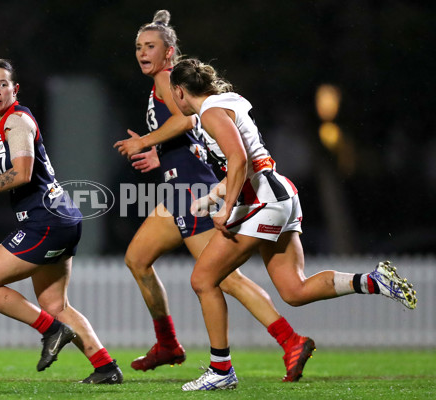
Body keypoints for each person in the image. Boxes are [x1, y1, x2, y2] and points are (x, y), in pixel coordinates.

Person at [168, 57, 418, 391]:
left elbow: (239, 159)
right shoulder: (225, 104)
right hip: (278, 195)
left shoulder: (211, 112)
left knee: (203, 279)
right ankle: (372, 281)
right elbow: (248, 162)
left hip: (263, 201)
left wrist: (225, 208)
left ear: (180, 92)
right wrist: (214, 197)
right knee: (294, 290)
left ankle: (221, 369)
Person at [114, 10, 314, 383]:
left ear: (169, 52)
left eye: (150, 46)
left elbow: (188, 120)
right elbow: (190, 134)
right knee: (137, 259)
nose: (143, 53)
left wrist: (146, 141)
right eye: (139, 47)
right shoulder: (161, 82)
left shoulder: (167, 81)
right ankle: (168, 343)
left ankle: (290, 341)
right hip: (177, 187)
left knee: (222, 278)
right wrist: (162, 153)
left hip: (194, 189)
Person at [0, 59, 122, 384]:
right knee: (54, 303)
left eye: (3, 84)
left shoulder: (18, 122)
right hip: (58, 219)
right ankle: (105, 366)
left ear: (15, 89)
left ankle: (52, 331)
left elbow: (21, 174)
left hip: (46, 221)